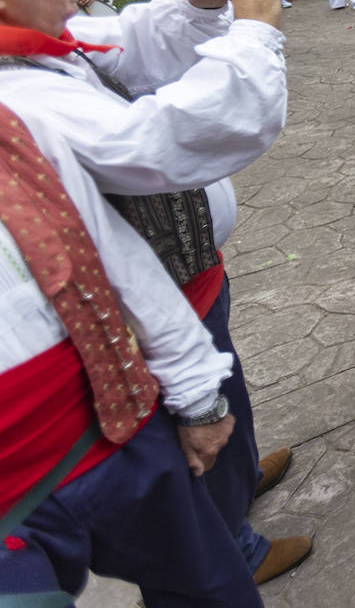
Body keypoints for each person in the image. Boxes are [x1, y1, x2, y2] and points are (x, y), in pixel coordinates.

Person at [0, 0, 311, 584]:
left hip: (189, 272)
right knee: (197, 416)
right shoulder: (17, 93)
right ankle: (233, 538)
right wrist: (253, 32)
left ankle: (235, 484)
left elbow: (119, 40)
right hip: (155, 303)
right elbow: (165, 139)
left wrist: (197, 3)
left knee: (225, 390)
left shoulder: (39, 43)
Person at [0, 105, 260, 605]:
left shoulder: (27, 108)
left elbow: (113, 252)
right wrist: (254, 37)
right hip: (44, 461)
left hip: (118, 410)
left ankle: (236, 513)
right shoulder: (29, 102)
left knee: (204, 568)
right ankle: (235, 535)